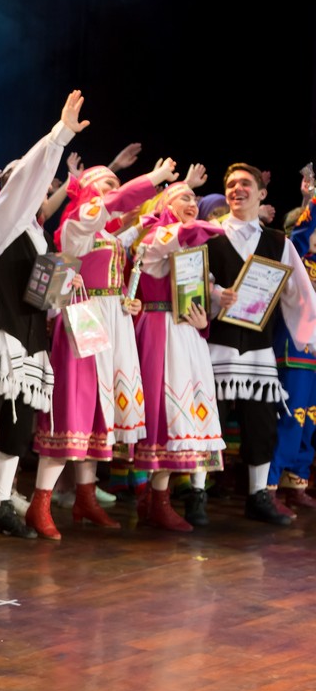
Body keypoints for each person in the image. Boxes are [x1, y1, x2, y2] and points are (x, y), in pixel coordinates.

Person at [0, 90, 88, 541]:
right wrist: (59, 136)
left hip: (30, 343)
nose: (40, 189)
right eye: (34, 183)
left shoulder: (38, 234)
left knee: (16, 430)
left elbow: (42, 294)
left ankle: (1, 502)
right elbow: (26, 180)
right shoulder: (0, 221)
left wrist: (61, 290)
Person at [26, 158, 177, 538]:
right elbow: (112, 207)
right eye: (106, 184)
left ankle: (86, 498)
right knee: (74, 409)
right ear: (90, 191)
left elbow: (131, 234)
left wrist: (127, 300)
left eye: (115, 184)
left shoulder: (107, 235)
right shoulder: (76, 225)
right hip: (83, 319)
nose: (113, 191)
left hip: (112, 322)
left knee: (97, 413)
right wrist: (153, 179)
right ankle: (39, 503)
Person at [208, 163, 316, 525]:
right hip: (216, 345)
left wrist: (309, 336)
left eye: (245, 183)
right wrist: (214, 295)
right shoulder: (209, 234)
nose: (237, 189)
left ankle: (258, 496)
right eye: (231, 184)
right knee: (209, 422)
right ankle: (196, 493)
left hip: (258, 349)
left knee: (261, 424)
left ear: (262, 193)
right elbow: (192, 281)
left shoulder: (278, 242)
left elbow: (299, 293)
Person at [131, 182, 225, 529]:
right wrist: (223, 225)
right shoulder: (155, 238)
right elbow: (177, 234)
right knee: (167, 411)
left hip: (186, 333)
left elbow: (197, 293)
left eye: (194, 199)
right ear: (166, 204)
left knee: (187, 410)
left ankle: (157, 499)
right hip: (160, 330)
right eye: (184, 197)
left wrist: (203, 319)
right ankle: (157, 500)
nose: (192, 203)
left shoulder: (191, 248)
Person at [270, 180, 316, 511]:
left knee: (310, 419)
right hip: (294, 349)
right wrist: (311, 199)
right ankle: (269, 486)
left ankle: (296, 481)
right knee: (290, 419)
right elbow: (302, 231)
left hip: (313, 354)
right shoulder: (294, 255)